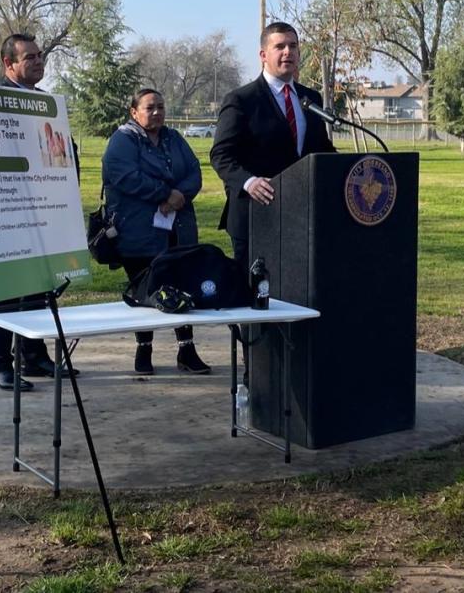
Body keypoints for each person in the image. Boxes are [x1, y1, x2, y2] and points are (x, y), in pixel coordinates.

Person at [0, 34, 79, 391]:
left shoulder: (46, 104)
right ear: (8, 64)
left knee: (41, 288)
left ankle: (34, 356)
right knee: (6, 290)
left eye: (40, 56)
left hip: (46, 213)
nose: (39, 62)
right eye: (29, 58)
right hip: (7, 215)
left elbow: (65, 157)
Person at [102, 88, 211, 376]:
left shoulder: (173, 138)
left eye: (161, 107)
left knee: (182, 285)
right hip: (138, 232)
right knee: (144, 291)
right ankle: (144, 350)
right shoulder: (123, 140)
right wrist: (164, 192)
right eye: (150, 107)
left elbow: (194, 171)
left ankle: (187, 350)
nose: (157, 112)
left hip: (178, 228)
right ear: (134, 112)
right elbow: (125, 176)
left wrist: (179, 196)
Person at [210, 21, 336, 267]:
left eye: (293, 46)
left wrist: (348, 166)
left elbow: (320, 149)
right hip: (256, 214)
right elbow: (221, 154)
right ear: (263, 55)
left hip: (300, 214)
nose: (288, 52)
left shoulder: (310, 98)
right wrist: (249, 181)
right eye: (280, 46)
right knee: (255, 296)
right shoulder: (241, 100)